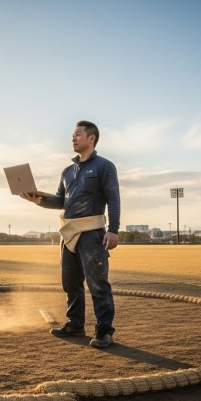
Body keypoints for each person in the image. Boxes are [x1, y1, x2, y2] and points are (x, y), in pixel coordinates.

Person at [20, 120, 120, 348]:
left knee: (98, 284)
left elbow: (113, 197)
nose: (73, 138)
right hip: (68, 233)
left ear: (91, 138)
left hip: (92, 233)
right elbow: (61, 202)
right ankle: (75, 324)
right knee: (70, 282)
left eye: (77, 134)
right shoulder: (67, 171)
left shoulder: (104, 166)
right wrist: (38, 201)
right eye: (72, 135)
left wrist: (114, 230)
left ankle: (104, 331)